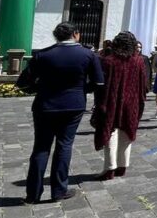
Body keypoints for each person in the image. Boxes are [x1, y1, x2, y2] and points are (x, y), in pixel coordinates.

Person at [18, 22, 104, 204]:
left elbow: (23, 83)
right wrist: (82, 90)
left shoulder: (42, 54)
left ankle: (32, 194)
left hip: (45, 105)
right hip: (73, 105)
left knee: (41, 148)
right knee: (64, 146)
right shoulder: (88, 55)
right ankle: (59, 191)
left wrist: (41, 88)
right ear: (76, 34)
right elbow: (99, 82)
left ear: (56, 36)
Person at [92, 31, 146, 180]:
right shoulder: (138, 61)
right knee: (126, 132)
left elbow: (101, 85)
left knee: (111, 132)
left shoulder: (108, 61)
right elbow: (143, 83)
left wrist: (98, 103)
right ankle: (123, 165)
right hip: (132, 101)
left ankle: (110, 167)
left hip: (111, 101)